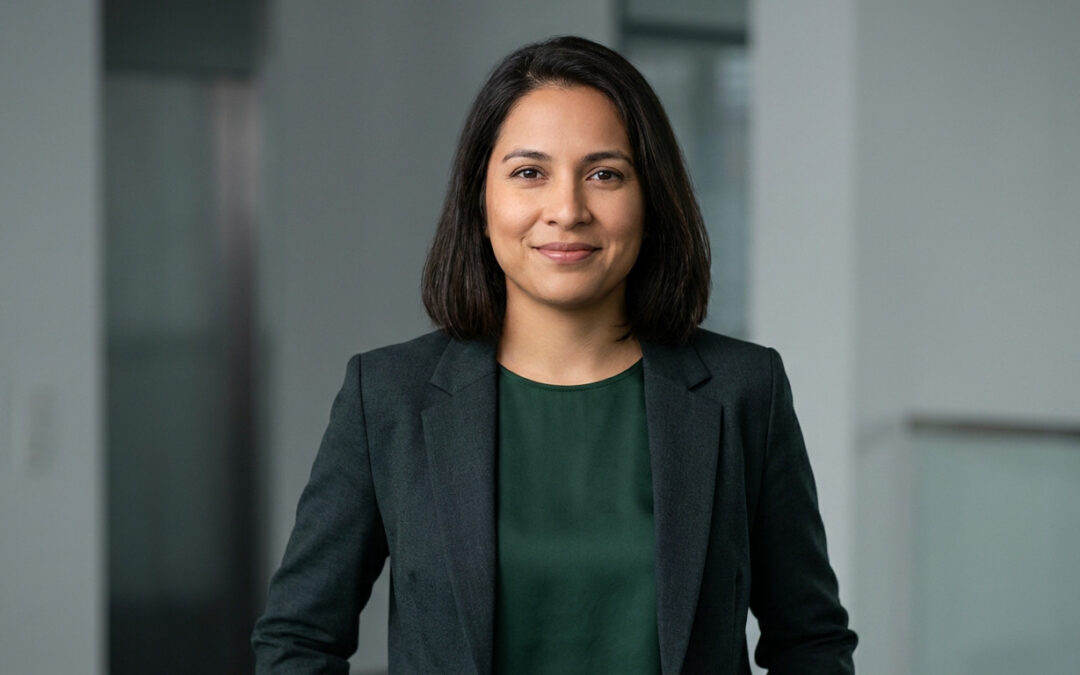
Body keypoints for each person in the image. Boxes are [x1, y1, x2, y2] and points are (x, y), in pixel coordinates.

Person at [252, 36, 856, 674]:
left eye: (604, 174)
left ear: (650, 200)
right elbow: (297, 643)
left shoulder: (745, 391)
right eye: (528, 173)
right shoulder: (388, 398)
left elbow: (809, 643)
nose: (566, 211)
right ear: (480, 202)